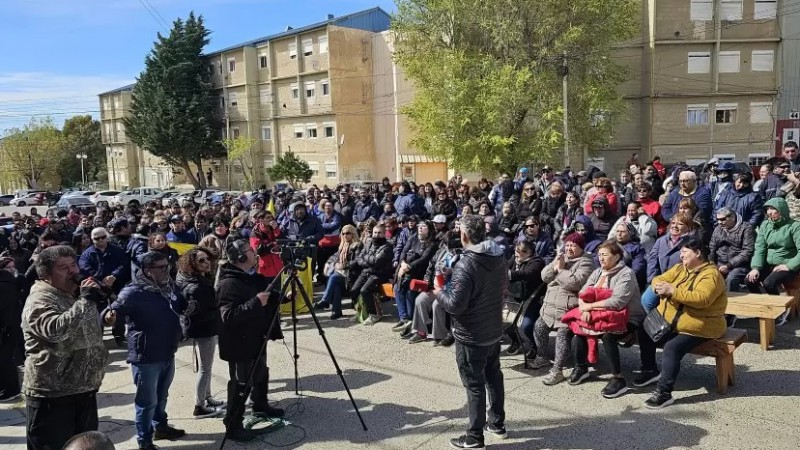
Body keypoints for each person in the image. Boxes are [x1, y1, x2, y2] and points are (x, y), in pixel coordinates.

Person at [22, 246, 111, 450]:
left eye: (73, 264)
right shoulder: (40, 299)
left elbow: (85, 328)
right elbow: (55, 331)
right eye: (64, 267)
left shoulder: (73, 293)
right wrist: (86, 301)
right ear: (46, 274)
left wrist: (103, 314)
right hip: (53, 395)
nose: (73, 271)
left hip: (84, 388)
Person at [434, 214, 508, 448]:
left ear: (465, 235)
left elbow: (455, 304)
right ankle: (497, 424)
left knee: (474, 384)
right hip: (493, 328)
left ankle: (474, 438)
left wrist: (438, 291)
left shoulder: (467, 263)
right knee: (494, 377)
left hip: (471, 335)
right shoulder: (498, 255)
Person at [106, 252, 186, 450]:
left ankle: (161, 427)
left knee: (162, 396)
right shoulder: (132, 292)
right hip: (146, 357)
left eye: (167, 266)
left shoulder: (170, 287)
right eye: (162, 267)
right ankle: (144, 441)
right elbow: (111, 313)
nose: (167, 271)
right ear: (147, 271)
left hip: (168, 351)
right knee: (147, 402)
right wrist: (109, 317)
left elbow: (183, 305)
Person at [635, 237, 727, 408]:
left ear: (698, 253)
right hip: (672, 321)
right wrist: (657, 286)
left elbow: (703, 299)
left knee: (672, 347)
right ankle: (649, 370)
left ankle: (664, 392)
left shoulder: (711, 275)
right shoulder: (680, 268)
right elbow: (658, 278)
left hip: (700, 326)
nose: (681, 255)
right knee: (643, 327)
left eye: (685, 251)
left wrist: (673, 291)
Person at [216, 239, 284, 443]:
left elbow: (265, 294)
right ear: (241, 258)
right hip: (239, 344)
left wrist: (282, 297)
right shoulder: (228, 284)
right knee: (240, 384)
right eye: (250, 251)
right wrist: (256, 303)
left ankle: (260, 405)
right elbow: (227, 317)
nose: (255, 253)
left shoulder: (250, 277)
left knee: (261, 372)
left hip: (256, 336)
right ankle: (233, 424)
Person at [566, 242, 644, 397]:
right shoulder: (598, 272)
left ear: (616, 256)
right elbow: (583, 292)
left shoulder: (626, 273)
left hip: (627, 317)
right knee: (580, 328)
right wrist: (584, 307)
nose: (601, 258)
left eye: (605, 254)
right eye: (599, 254)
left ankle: (618, 378)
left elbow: (617, 302)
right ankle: (581, 367)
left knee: (609, 336)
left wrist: (590, 307)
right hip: (599, 315)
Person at [531, 233, 595, 385]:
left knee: (562, 336)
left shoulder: (587, 263)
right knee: (539, 327)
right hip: (549, 308)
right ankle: (542, 357)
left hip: (568, 311)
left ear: (581, 248)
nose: (569, 248)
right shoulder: (562, 259)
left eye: (573, 246)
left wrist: (560, 271)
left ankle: (557, 370)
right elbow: (544, 277)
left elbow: (575, 283)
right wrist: (555, 265)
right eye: (567, 245)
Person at [175, 248, 226, 419]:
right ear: (192, 265)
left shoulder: (192, 280)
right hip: (204, 329)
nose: (207, 263)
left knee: (207, 368)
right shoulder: (196, 287)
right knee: (205, 369)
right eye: (202, 261)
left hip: (202, 328)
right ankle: (199, 406)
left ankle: (208, 398)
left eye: (207, 259)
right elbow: (206, 310)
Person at [642, 213, 696, 313]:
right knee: (646, 301)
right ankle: (655, 325)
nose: (675, 226)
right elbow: (652, 261)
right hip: (660, 279)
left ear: (688, 228)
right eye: (673, 223)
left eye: (680, 224)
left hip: (679, 283)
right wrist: (652, 279)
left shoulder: (692, 243)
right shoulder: (661, 241)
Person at [746, 197, 800, 295]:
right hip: (770, 264)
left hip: (789, 265)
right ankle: (761, 305)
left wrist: (789, 266)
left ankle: (778, 308)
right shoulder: (765, 225)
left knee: (769, 283)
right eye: (767, 209)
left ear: (781, 209)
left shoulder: (795, 226)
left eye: (773, 208)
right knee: (749, 280)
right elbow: (760, 248)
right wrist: (756, 268)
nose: (769, 212)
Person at [394, 220, 439, 336]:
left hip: (421, 273)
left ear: (429, 229)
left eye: (424, 226)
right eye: (419, 225)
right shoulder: (413, 237)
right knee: (397, 288)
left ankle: (409, 323)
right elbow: (403, 251)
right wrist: (403, 263)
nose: (420, 228)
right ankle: (405, 319)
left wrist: (407, 266)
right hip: (406, 271)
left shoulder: (432, 243)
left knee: (410, 292)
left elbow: (424, 259)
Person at [504, 241, 546, 356]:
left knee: (527, 325)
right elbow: (504, 267)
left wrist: (510, 274)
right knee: (501, 320)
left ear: (528, 252)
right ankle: (516, 340)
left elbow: (528, 273)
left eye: (518, 251)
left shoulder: (537, 262)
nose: (516, 254)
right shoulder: (515, 258)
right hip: (515, 297)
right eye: (515, 251)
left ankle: (534, 346)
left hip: (532, 300)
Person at [349, 222, 394, 325]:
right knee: (354, 290)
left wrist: (366, 258)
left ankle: (374, 314)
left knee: (365, 290)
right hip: (366, 271)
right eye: (375, 232)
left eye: (379, 233)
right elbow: (360, 257)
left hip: (380, 274)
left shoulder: (387, 247)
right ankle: (361, 312)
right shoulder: (368, 243)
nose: (376, 235)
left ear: (384, 234)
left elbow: (377, 262)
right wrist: (368, 261)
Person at [314, 224, 361, 319]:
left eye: (348, 233)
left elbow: (357, 261)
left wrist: (343, 266)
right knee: (336, 284)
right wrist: (329, 263)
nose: (345, 235)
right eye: (343, 233)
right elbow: (334, 256)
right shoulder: (343, 246)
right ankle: (336, 311)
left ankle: (325, 301)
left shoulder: (358, 246)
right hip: (343, 275)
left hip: (353, 275)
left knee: (334, 277)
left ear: (353, 234)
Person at [709, 207, 755, 293]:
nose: (719, 222)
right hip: (720, 263)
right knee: (709, 276)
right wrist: (711, 264)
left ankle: (732, 302)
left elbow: (747, 251)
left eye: (723, 219)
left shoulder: (746, 228)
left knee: (731, 278)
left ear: (733, 217)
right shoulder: (717, 229)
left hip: (740, 265)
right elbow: (712, 248)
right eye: (717, 219)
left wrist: (729, 265)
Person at [0, 256, 22, 401]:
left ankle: (11, 390)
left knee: (5, 359)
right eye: (9, 267)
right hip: (7, 327)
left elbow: (5, 309)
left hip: (7, 328)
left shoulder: (7, 283)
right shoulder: (7, 282)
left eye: (13, 266)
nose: (12, 269)